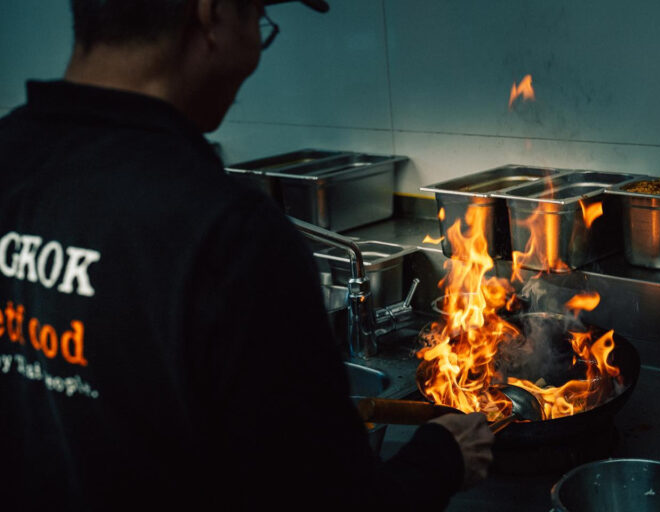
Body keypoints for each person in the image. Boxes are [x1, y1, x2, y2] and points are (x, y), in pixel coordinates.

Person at [0, 0, 494, 510]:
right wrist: (442, 458)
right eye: (259, 19)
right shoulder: (225, 231)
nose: (257, 46)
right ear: (211, 16)